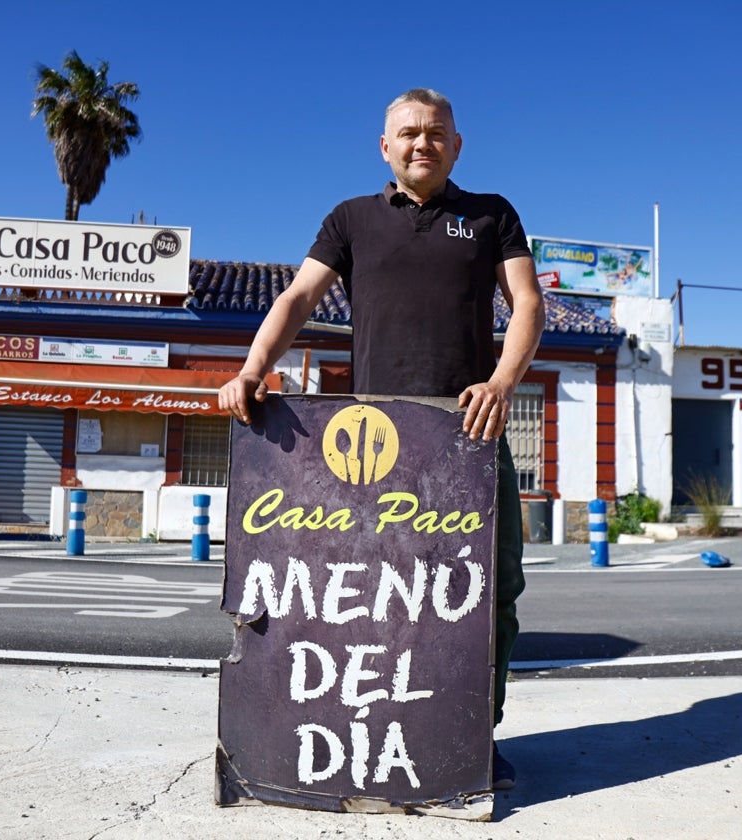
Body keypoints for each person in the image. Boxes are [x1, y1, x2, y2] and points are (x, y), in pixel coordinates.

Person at [218, 88, 546, 790]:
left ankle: (471, 736)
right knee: (375, 593)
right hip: (374, 443)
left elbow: (528, 303)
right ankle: (359, 735)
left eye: (435, 133)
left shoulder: (492, 215)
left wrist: (500, 382)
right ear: (384, 146)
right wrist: (252, 369)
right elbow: (298, 298)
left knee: (493, 588)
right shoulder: (351, 219)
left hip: (470, 434)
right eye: (407, 133)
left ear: (456, 146)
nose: (421, 143)